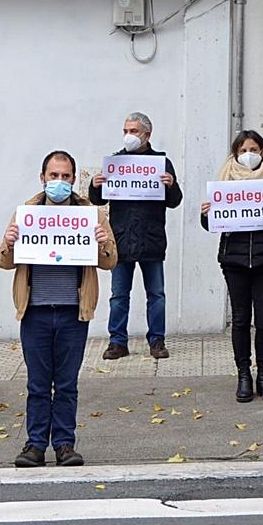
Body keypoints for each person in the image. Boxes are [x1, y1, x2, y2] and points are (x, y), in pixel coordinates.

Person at [0, 151, 117, 467]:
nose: (60, 182)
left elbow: (110, 261)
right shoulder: (27, 213)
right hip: (35, 311)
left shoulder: (91, 215)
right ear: (43, 178)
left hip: (73, 312)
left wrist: (103, 242)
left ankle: (64, 444)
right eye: (54, 176)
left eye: (66, 177)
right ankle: (35, 445)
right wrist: (10, 242)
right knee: (38, 383)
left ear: (73, 179)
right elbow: (2, 260)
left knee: (66, 383)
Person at [200, 131, 263, 403]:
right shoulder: (225, 182)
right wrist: (206, 213)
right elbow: (211, 226)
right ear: (235, 153)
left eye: (254, 148)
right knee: (241, 319)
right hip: (233, 261)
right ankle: (243, 375)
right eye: (243, 149)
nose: (249, 154)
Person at [89, 111, 183, 360]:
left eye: (134, 131)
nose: (128, 136)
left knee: (156, 295)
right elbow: (98, 199)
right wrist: (95, 185)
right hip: (121, 240)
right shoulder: (116, 161)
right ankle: (117, 341)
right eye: (126, 131)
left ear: (147, 135)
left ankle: (157, 340)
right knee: (119, 295)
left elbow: (175, 202)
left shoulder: (161, 163)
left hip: (151, 240)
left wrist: (171, 185)